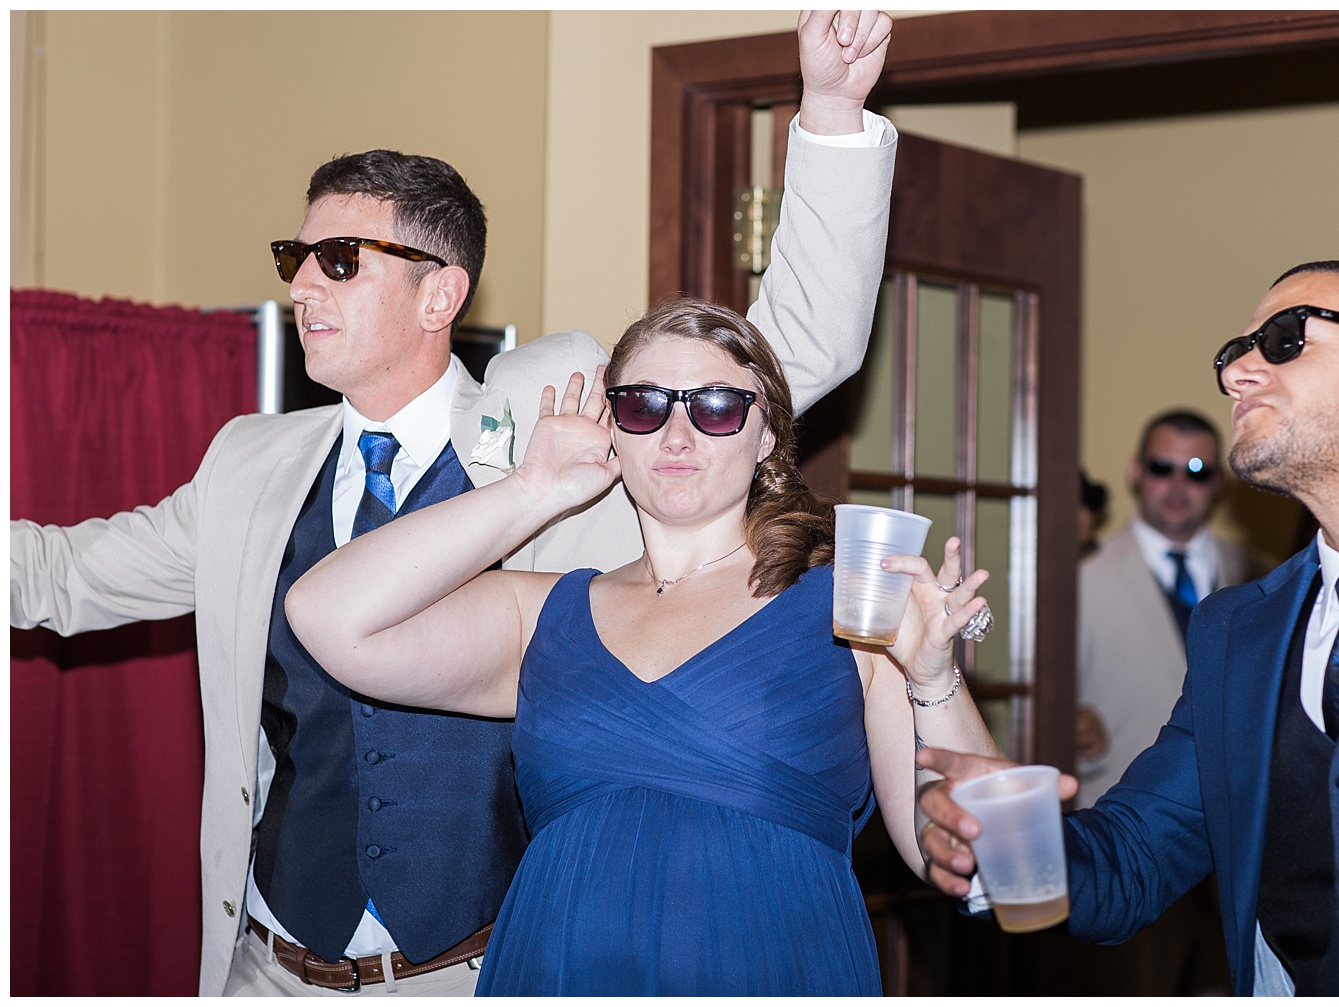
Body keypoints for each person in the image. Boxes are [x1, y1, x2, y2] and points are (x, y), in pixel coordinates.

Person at [8, 10, 898, 995]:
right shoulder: (245, 467)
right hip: (270, 967)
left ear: (441, 295)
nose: (303, 285)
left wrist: (832, 111)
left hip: (478, 970)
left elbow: (796, 344)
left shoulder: (564, 409)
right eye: (293, 260)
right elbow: (62, 575)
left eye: (338, 260)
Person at [285, 297, 1002, 995]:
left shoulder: (848, 600)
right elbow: (326, 614)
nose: (677, 436)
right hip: (555, 971)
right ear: (612, 431)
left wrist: (933, 674)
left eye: (716, 405)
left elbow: (985, 857)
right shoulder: (545, 614)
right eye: (644, 407)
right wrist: (533, 491)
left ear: (766, 437)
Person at [917, 261, 1339, 996]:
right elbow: (1131, 860)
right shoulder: (1237, 633)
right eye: (1232, 353)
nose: (1238, 373)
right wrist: (1002, 844)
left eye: (1285, 338)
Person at [1076, 409, 1259, 807]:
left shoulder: (1265, 575)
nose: (1177, 486)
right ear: (1135, 471)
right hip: (1118, 819)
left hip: (1236, 823)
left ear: (1219, 484)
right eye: (1162, 468)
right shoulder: (1079, 579)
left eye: (1196, 471)